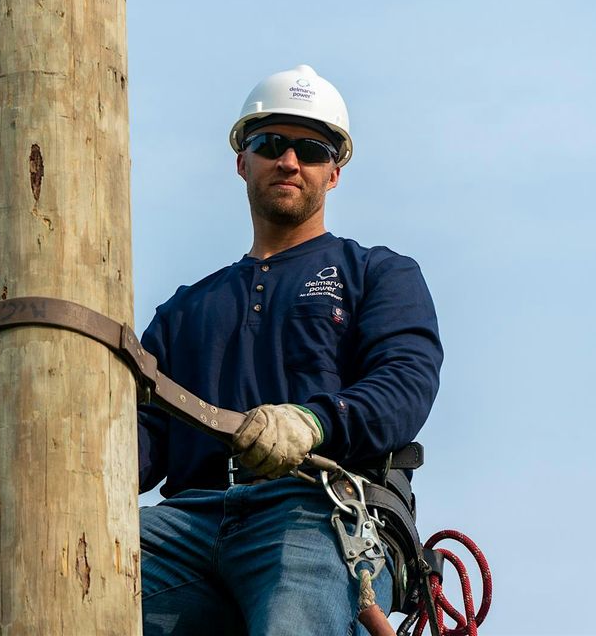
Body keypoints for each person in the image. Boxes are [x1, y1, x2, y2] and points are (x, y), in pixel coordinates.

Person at [136, 64, 443, 636]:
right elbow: (140, 436)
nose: (289, 161)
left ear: (334, 173)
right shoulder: (184, 311)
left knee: (293, 619)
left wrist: (312, 421)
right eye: (271, 143)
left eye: (311, 149)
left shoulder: (376, 274)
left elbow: (404, 384)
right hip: (186, 523)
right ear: (241, 161)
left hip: (312, 509)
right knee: (75, 565)